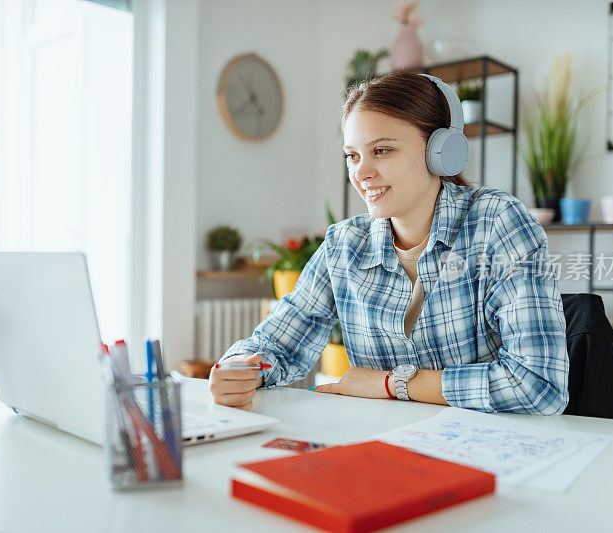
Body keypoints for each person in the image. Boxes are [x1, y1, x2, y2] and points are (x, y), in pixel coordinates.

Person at [209, 71, 569, 415]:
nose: (361, 173)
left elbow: (538, 383)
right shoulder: (344, 245)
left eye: (382, 150)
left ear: (439, 150)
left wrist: (390, 384)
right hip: (385, 450)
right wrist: (241, 369)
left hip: (487, 454)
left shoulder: (496, 222)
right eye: (353, 155)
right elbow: (277, 345)